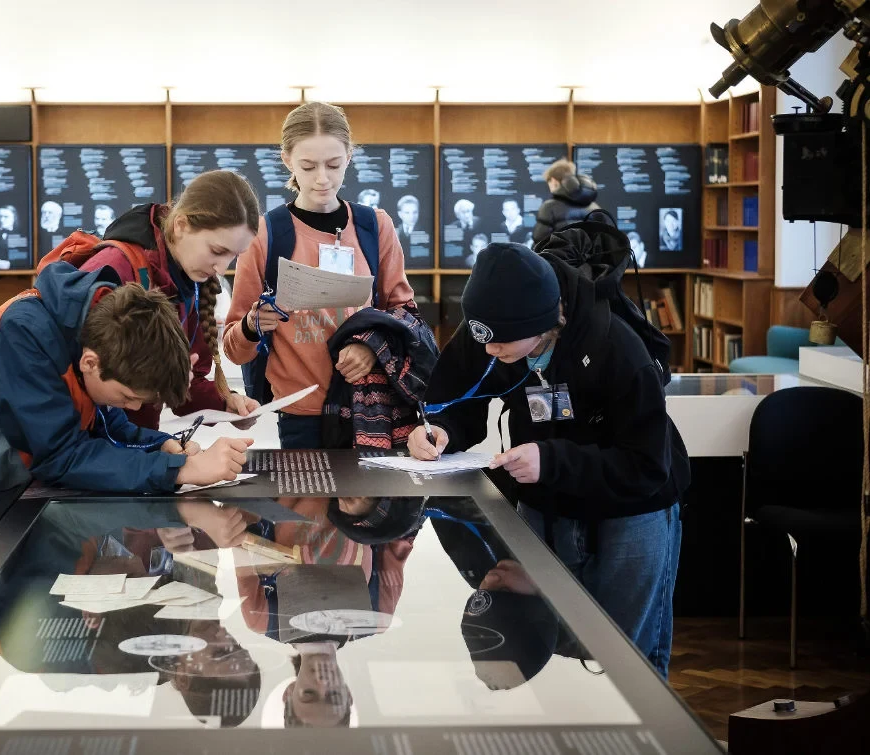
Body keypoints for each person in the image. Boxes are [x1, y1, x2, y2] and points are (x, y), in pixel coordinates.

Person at [0, 265, 254, 680]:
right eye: (131, 396)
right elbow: (62, 454)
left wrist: (160, 444)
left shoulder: (89, 335)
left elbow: (103, 418)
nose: (134, 408)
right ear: (91, 362)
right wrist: (180, 468)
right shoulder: (24, 335)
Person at [408, 243, 689, 679]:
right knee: (555, 647)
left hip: (632, 510)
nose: (488, 351)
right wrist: (440, 431)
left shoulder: (617, 347)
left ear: (543, 325)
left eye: (500, 343)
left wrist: (552, 460)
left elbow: (646, 466)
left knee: (625, 658)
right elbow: (454, 397)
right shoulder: (491, 327)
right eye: (481, 337)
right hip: (546, 499)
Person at [223, 102, 417, 449]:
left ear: (350, 156)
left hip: (370, 406)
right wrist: (253, 325)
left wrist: (372, 347)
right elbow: (234, 348)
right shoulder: (266, 234)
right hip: (301, 415)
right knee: (306, 502)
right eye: (308, 166)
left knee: (376, 503)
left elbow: (404, 315)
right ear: (287, 160)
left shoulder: (376, 226)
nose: (322, 179)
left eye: (334, 164)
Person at [39, 169, 263, 431]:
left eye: (233, 256)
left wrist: (227, 403)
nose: (220, 268)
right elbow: (84, 380)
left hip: (135, 445)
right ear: (180, 225)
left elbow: (186, 384)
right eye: (216, 251)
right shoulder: (114, 269)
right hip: (92, 444)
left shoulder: (191, 279)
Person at [533, 159, 602, 246]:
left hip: (558, 258)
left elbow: (540, 243)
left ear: (554, 181)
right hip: (589, 259)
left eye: (549, 183)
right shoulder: (595, 207)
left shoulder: (549, 207)